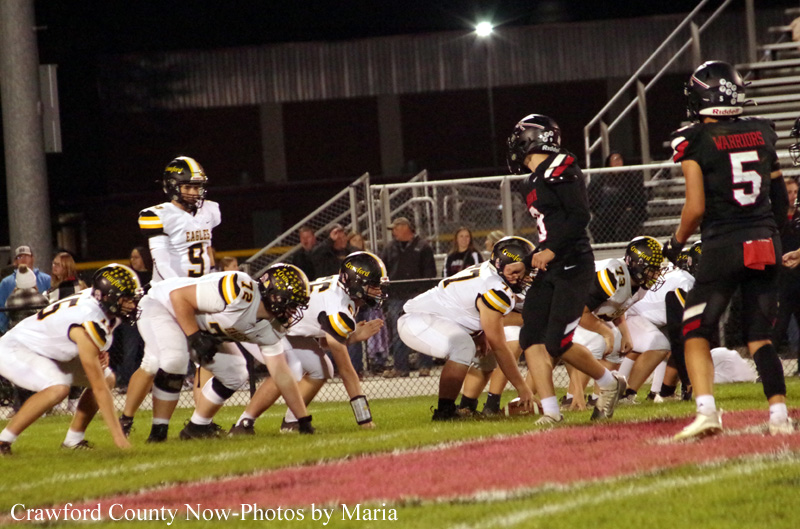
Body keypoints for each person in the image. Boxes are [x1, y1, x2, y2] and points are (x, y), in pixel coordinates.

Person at [663, 60, 793, 439]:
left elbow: (695, 208)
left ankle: (706, 412)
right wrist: (773, 234)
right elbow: (781, 198)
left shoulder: (694, 138)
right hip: (765, 241)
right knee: (759, 336)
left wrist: (676, 242)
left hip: (724, 243)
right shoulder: (762, 130)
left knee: (694, 329)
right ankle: (779, 415)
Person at [506, 113, 626, 424]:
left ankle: (609, 383)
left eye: (520, 136)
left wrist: (551, 251)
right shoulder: (531, 181)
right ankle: (551, 412)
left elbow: (579, 216)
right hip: (552, 265)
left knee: (557, 341)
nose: (515, 143)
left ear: (534, 138)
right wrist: (529, 259)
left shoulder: (562, 166)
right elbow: (551, 231)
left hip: (573, 264)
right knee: (530, 336)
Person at [124, 264, 316, 441]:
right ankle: (157, 434)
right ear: (274, 295)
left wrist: (302, 419)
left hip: (197, 326)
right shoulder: (239, 290)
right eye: (292, 304)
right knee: (174, 359)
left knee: (236, 372)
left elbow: (281, 374)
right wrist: (195, 337)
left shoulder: (273, 327)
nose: (294, 312)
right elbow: (178, 297)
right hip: (162, 305)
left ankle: (197, 427)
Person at [231, 252, 387, 434]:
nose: (379, 291)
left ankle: (292, 422)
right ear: (355, 283)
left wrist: (352, 336)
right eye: (374, 286)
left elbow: (325, 341)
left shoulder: (342, 291)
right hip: (267, 321)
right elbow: (346, 371)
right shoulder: (338, 309)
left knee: (321, 369)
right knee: (288, 368)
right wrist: (364, 419)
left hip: (289, 328)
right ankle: (243, 424)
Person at [121, 156, 221, 435]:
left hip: (200, 295)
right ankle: (126, 419)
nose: (195, 192)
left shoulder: (210, 210)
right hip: (168, 297)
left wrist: (211, 279)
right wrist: (182, 292)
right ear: (172, 187)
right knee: (154, 362)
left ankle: (201, 422)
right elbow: (161, 262)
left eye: (198, 186)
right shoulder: (157, 214)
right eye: (188, 187)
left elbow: (207, 249)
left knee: (206, 358)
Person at [0, 264, 142, 455]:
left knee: (107, 377)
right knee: (58, 387)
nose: (132, 305)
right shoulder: (88, 318)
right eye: (126, 299)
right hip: (17, 348)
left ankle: (73, 440)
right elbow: (98, 388)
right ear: (108, 296)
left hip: (48, 349)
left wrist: (100, 350)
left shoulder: (99, 303)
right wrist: (119, 438)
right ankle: (3, 441)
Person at [398, 236, 536, 420]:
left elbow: (466, 307)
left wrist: (479, 333)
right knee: (463, 346)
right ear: (502, 265)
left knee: (486, 357)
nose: (525, 275)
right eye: (519, 270)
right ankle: (445, 412)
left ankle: (466, 408)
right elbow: (500, 345)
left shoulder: (492, 273)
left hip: (441, 319)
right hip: (418, 320)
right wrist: (522, 388)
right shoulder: (496, 287)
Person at [565, 236, 666, 408]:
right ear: (637, 264)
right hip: (566, 308)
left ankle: (599, 397)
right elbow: (580, 311)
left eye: (657, 270)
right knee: (595, 343)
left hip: (584, 310)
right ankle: (572, 398)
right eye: (652, 269)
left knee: (617, 343)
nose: (656, 275)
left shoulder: (639, 283)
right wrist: (606, 332)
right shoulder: (613, 275)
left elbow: (617, 306)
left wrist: (625, 333)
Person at [380, 216, 437, 378]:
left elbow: (429, 273)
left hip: (417, 295)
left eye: (396, 228)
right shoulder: (389, 248)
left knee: (422, 329)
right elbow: (383, 271)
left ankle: (425, 365)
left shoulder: (423, 247)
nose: (394, 232)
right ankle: (400, 367)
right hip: (396, 295)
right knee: (399, 331)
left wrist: (423, 294)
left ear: (406, 228)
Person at [112, 246, 153, 390]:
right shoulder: (129, 277)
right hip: (131, 319)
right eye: (132, 257)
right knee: (130, 350)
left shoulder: (153, 276)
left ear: (145, 258)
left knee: (149, 351)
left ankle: (149, 383)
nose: (132, 260)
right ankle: (126, 382)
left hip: (149, 318)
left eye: (136, 257)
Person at [587, 151, 647, 243]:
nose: (617, 163)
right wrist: (598, 211)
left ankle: (623, 244)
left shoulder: (632, 177)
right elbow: (591, 199)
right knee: (596, 223)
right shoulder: (600, 178)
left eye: (619, 160)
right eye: (614, 160)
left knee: (627, 221)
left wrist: (631, 208)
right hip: (605, 212)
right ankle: (605, 246)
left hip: (627, 211)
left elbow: (640, 198)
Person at [0, 246, 51, 334]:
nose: (23, 259)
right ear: (15, 261)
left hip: (40, 330)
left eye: (26, 256)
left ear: (33, 258)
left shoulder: (46, 279)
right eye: (19, 257)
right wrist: (3, 331)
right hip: (15, 331)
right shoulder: (6, 283)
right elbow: (2, 309)